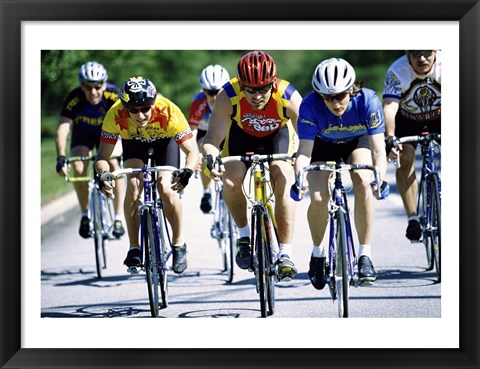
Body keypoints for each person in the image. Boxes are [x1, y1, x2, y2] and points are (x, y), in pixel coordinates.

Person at [202, 51, 302, 281]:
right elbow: (211, 140)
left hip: (278, 136)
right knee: (230, 179)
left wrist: (301, 161)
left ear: (273, 83)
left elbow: (307, 137)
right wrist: (210, 157)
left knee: (283, 176)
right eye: (249, 89)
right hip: (241, 137)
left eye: (263, 89)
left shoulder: (289, 96)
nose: (257, 96)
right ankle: (244, 235)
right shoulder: (227, 96)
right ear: (240, 85)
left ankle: (285, 253)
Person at [291, 57, 389, 290]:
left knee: (364, 182)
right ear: (319, 95)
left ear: (351, 89)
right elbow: (304, 152)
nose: (335, 103)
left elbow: (378, 149)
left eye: (341, 96)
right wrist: (299, 178)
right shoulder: (309, 105)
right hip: (321, 146)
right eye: (328, 98)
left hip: (356, 143)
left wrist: (381, 178)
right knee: (317, 198)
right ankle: (317, 254)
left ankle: (365, 256)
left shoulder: (368, 101)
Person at [94, 76, 199, 274]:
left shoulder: (169, 111)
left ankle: (178, 243)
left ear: (153, 103)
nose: (140, 115)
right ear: (125, 108)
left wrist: (187, 171)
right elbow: (102, 157)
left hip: (164, 144)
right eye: (133, 110)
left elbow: (193, 151)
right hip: (134, 145)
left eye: (145, 109)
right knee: (133, 187)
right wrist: (103, 173)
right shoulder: (115, 114)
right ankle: (134, 247)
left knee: (166, 189)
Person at [55, 61, 126, 239]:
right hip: (83, 135)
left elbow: (127, 121)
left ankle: (118, 218)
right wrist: (61, 157)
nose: (93, 92)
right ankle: (85, 214)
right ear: (81, 85)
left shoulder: (113, 94)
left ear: (104, 83)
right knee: (79, 169)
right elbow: (63, 129)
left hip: (108, 134)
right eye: (88, 87)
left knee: (114, 166)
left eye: (98, 86)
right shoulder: (74, 98)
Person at [383, 50, 441, 241]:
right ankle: (413, 218)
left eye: (426, 52)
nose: (422, 59)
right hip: (407, 119)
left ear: (436, 51)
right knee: (405, 158)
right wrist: (390, 137)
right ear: (407, 54)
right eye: (416, 54)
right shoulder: (397, 71)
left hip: (440, 116)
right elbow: (390, 107)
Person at [187, 64, 230, 213]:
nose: (214, 97)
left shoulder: (232, 99)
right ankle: (206, 192)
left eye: (218, 92)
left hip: (227, 131)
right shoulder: (199, 101)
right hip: (205, 133)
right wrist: (195, 154)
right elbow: (191, 131)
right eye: (209, 92)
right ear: (203, 91)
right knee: (205, 156)